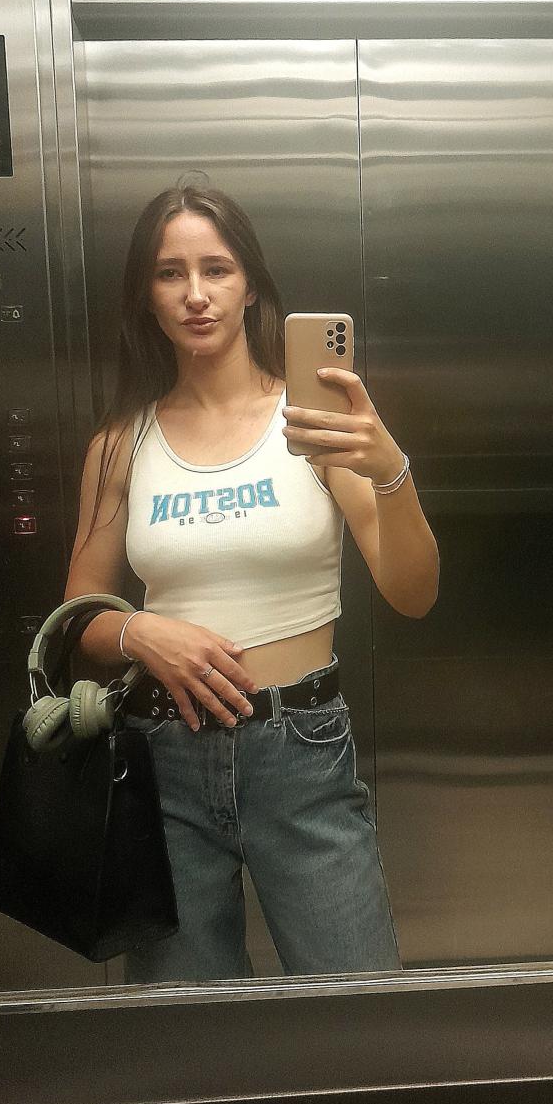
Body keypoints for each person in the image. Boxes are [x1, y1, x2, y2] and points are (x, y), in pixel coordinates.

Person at [64, 183, 440, 981]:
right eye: (170, 273)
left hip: (300, 753)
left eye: (217, 269)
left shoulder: (314, 428)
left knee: (359, 1004)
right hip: (163, 755)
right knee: (189, 1029)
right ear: (146, 295)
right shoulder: (121, 444)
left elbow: (414, 594)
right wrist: (139, 631)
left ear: (251, 287)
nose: (195, 294)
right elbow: (79, 621)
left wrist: (391, 470)